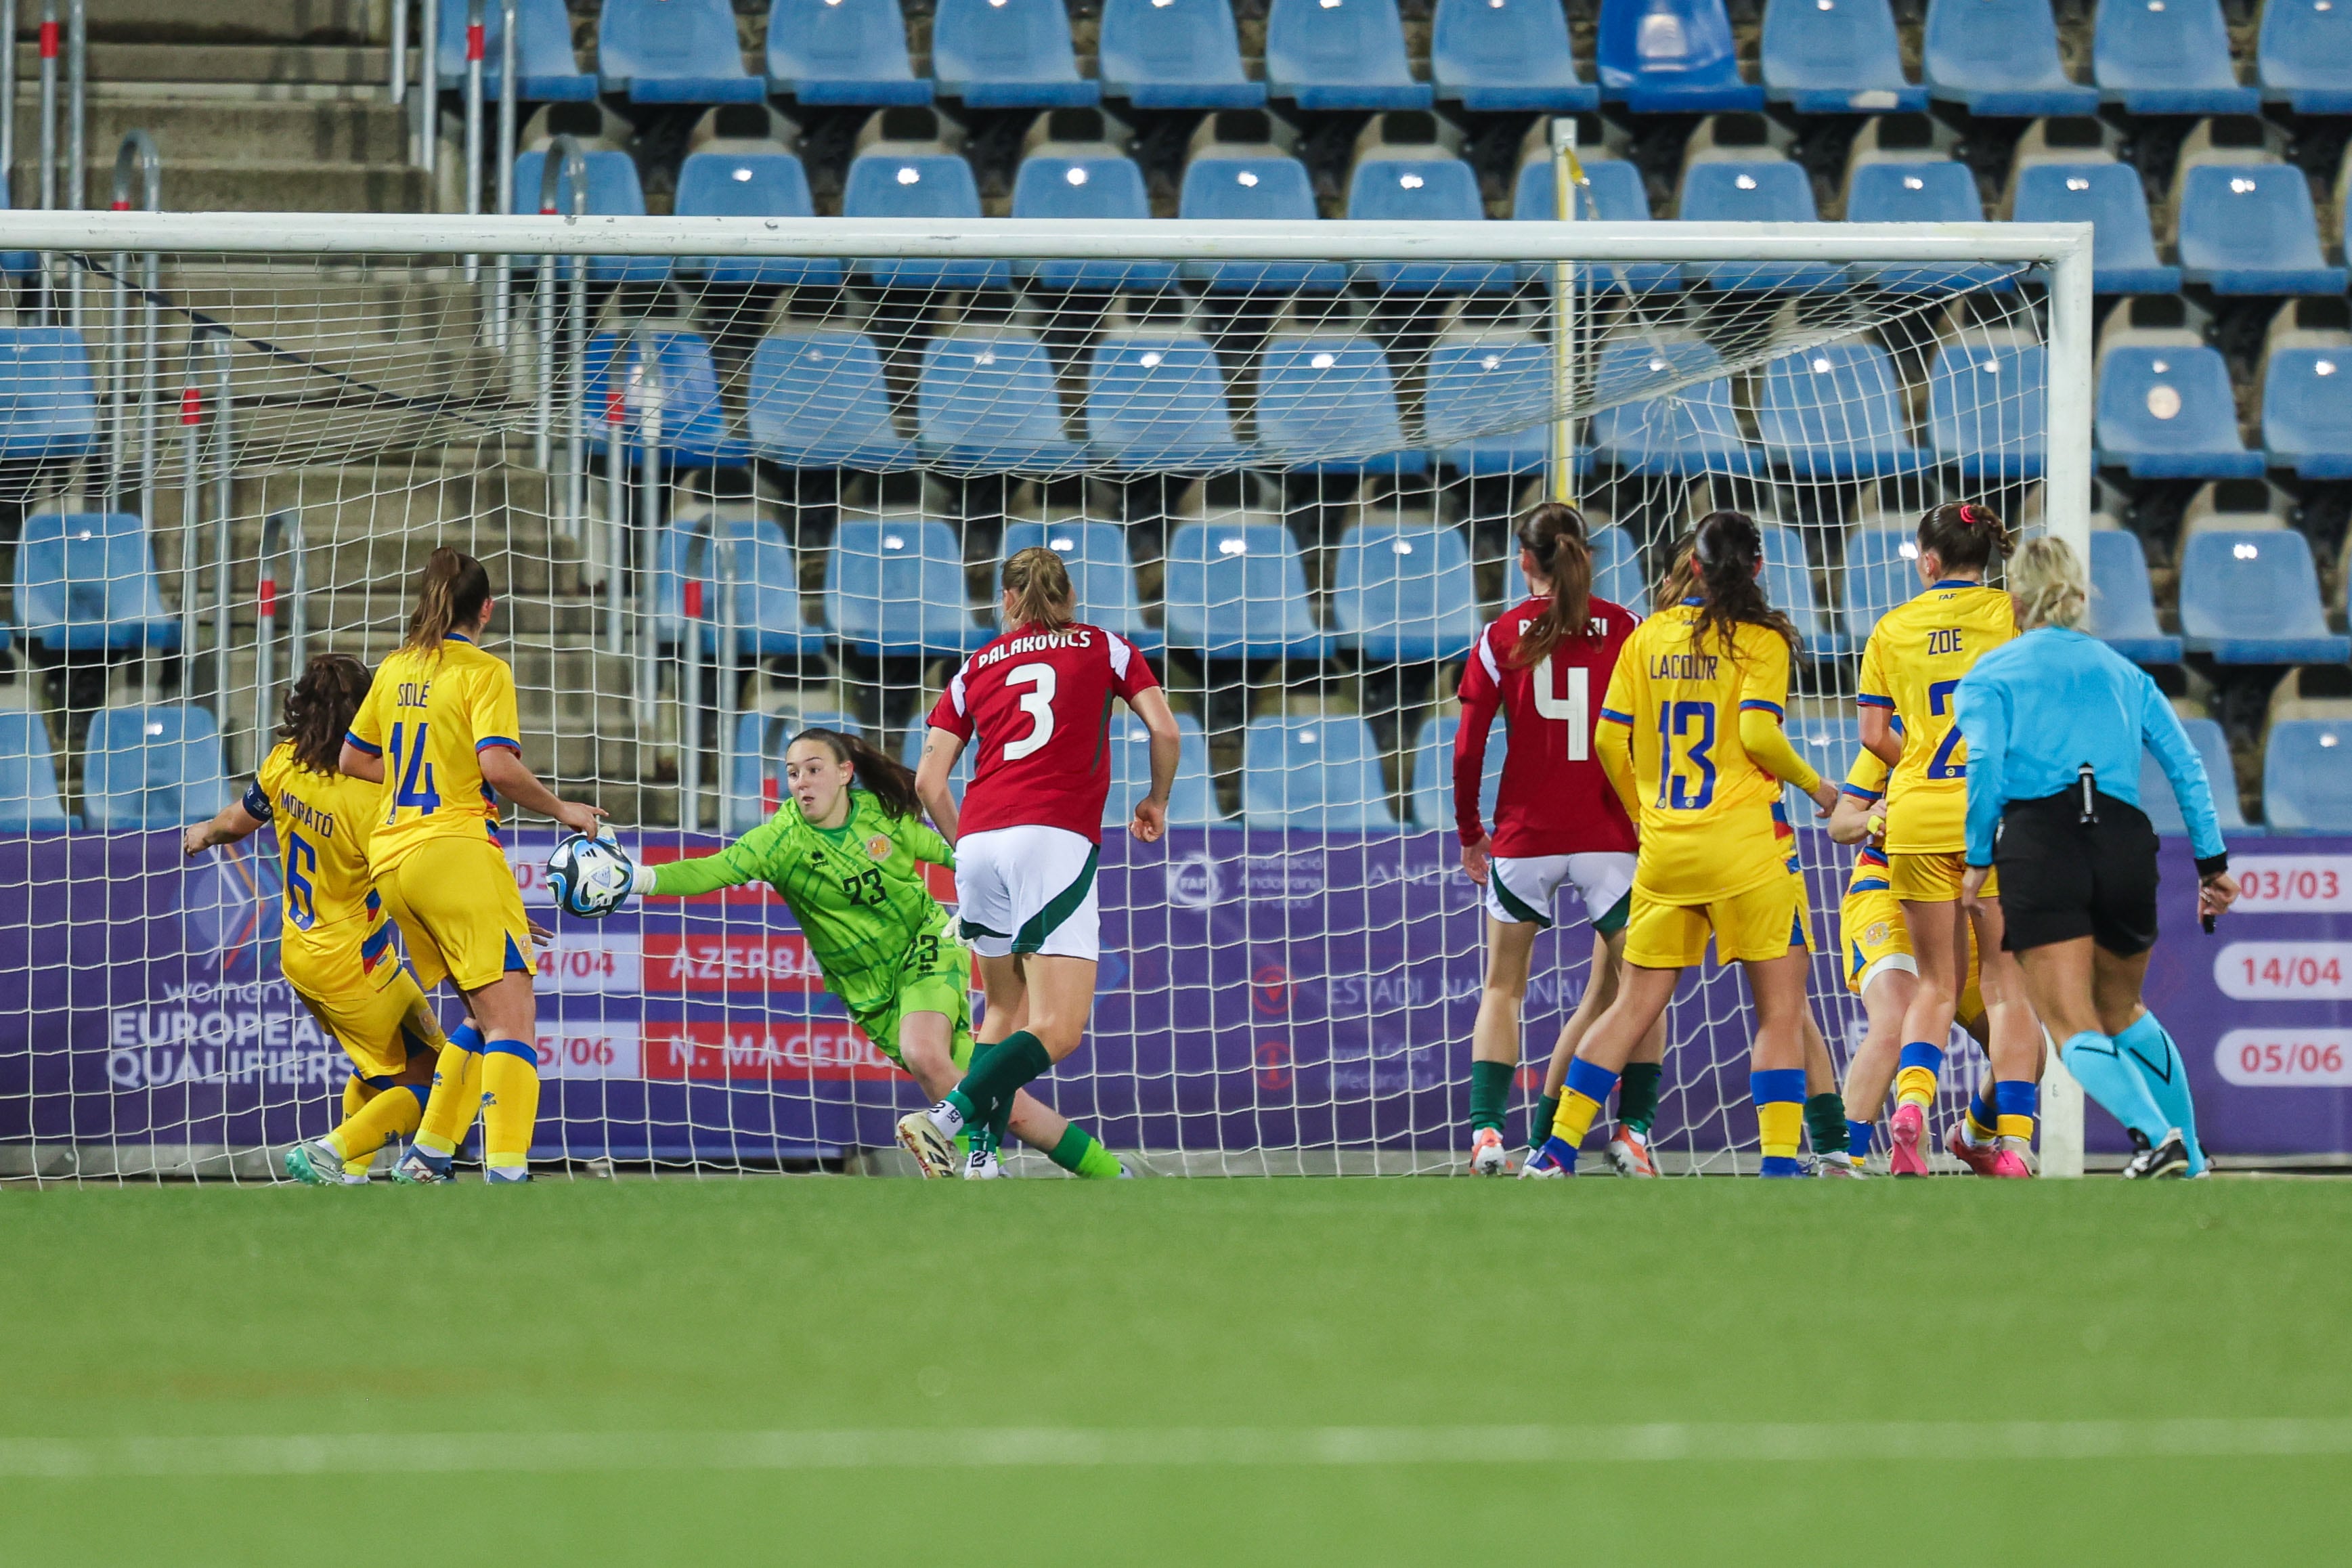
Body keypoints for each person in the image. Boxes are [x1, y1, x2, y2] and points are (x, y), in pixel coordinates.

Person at [624, 728, 1125, 1178]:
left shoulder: (881, 818)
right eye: (793, 773)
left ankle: (979, 1165)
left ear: (845, 773)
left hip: (925, 948)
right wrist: (641, 878)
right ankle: (1108, 1174)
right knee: (998, 1097)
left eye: (814, 769)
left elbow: (956, 852)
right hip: (868, 991)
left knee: (923, 1051)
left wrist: (1000, 893)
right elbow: (712, 870)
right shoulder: (778, 842)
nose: (802, 783)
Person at [1527, 510, 1842, 1177]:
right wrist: (1819, 789)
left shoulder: (1647, 637)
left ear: (1691, 567)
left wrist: (1645, 813)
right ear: (1756, 570)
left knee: (1632, 1005)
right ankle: (1781, 1168)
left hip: (1668, 846)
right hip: (1747, 849)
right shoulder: (1763, 641)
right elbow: (1758, 736)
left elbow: (1610, 741)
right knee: (1781, 1012)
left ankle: (1553, 1155)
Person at [1957, 536, 2240, 1178]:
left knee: (2067, 1021)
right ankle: (2191, 1159)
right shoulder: (2125, 674)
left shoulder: (1992, 675)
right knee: (2122, 1009)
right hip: (2124, 841)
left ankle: (2153, 1138)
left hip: (2041, 840)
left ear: (2017, 600)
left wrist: (1978, 858)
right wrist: (2211, 865)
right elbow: (2186, 766)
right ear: (2080, 596)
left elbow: (1985, 766)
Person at [895, 546, 1182, 1179]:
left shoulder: (973, 668)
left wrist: (964, 846)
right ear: (1068, 596)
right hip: (1050, 840)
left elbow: (927, 782)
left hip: (980, 843)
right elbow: (1165, 730)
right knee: (1058, 1029)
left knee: (1004, 1010)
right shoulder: (1105, 646)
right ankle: (944, 1120)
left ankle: (982, 1159)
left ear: (1007, 600)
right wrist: (1156, 800)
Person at [340, 548, 603, 1184]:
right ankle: (507, 1167)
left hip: (395, 863)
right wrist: (563, 809)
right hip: (456, 852)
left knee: (481, 1016)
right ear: (487, 608)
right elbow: (498, 767)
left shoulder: (395, 668)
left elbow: (353, 761)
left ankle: (429, 1153)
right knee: (514, 1020)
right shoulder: (484, 670)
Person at [182, 653, 451, 1185]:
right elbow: (405, 883)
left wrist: (203, 833)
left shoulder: (285, 762)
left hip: (305, 955)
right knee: (435, 1085)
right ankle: (333, 1150)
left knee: (388, 1065)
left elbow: (237, 821)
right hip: (355, 965)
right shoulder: (374, 796)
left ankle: (347, 1171)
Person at [1453, 502, 1658, 1177]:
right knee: (1643, 986)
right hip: (1610, 836)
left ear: (1524, 561)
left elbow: (1467, 750)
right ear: (1586, 556)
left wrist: (1471, 834)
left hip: (1525, 836)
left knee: (1502, 989)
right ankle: (1631, 1133)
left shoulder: (1500, 635)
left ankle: (1488, 1135)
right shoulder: (1627, 628)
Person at [1857, 501, 2039, 1178]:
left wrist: (1924, 758)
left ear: (1928, 563)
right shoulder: (2013, 615)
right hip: (1996, 816)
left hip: (1916, 818)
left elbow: (1874, 739)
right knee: (2005, 986)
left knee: (1935, 985)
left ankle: (1911, 1109)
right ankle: (2013, 1144)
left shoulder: (1891, 629)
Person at [1829, 745, 2007, 1175]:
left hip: (1968, 904)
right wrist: (1875, 817)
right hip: (1887, 891)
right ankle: (1841, 1161)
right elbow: (1840, 822)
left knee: (2021, 1047)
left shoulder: (1996, 738)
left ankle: (1973, 1139)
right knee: (1895, 1019)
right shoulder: (1898, 740)